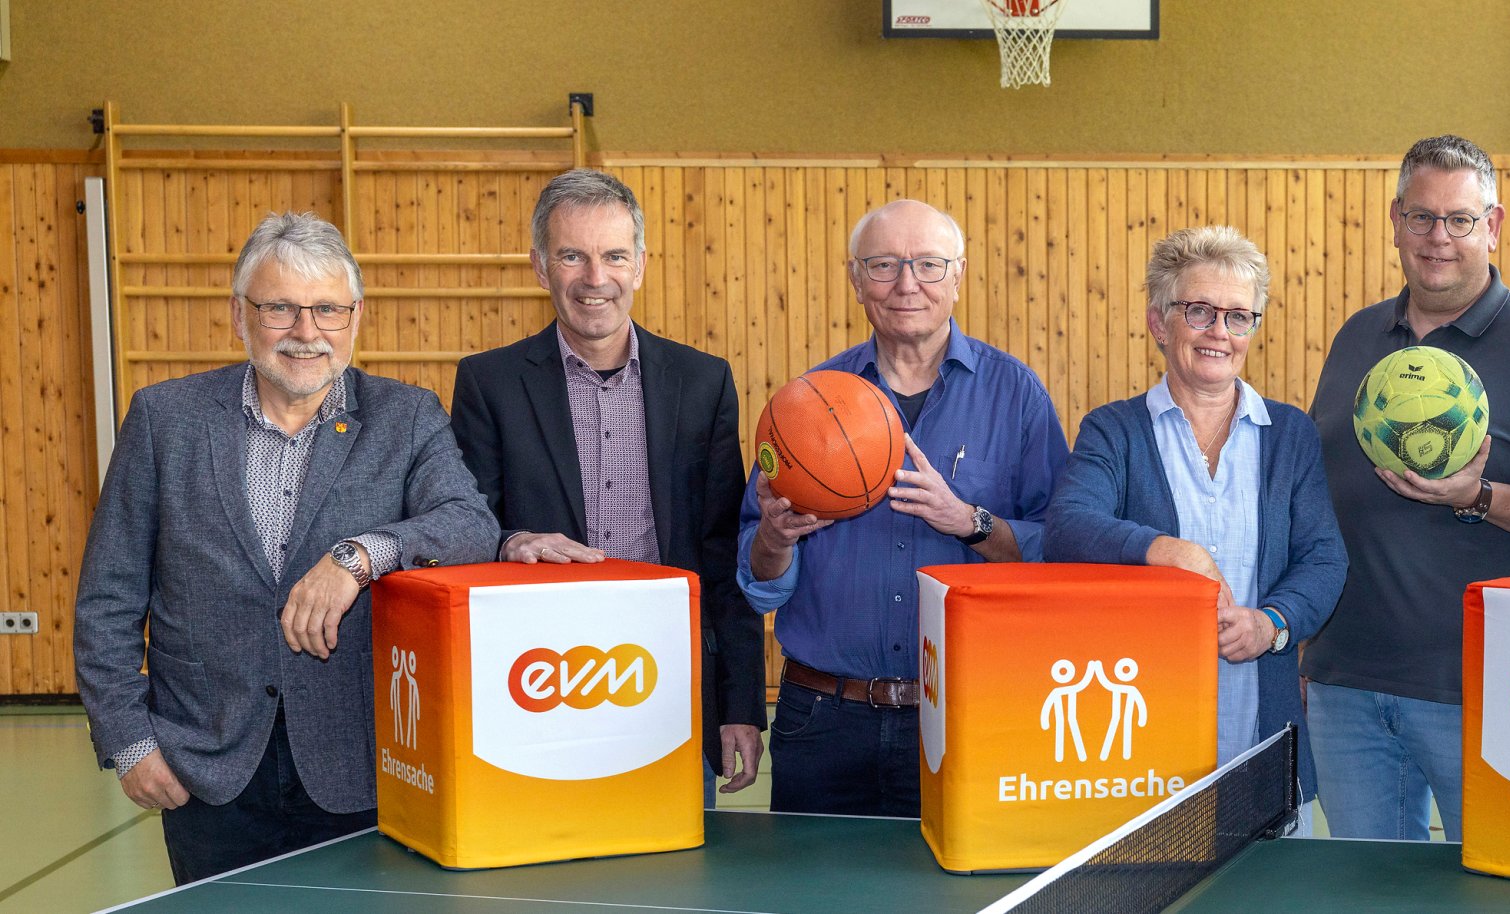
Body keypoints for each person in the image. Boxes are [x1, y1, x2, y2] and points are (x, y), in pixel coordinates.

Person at [72, 213, 499, 884]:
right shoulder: (164, 418)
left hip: (360, 770)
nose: (307, 333)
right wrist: (130, 741)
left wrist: (359, 557)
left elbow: (471, 526)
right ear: (240, 316)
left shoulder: (407, 416)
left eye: (327, 309)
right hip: (206, 771)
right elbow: (108, 597)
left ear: (356, 316)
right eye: (281, 309)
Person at [737, 199, 1069, 817]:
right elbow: (759, 584)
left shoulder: (1015, 395)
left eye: (928, 264)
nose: (907, 283)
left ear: (959, 275)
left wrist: (969, 522)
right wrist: (777, 540)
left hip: (967, 714)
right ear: (857, 280)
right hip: (821, 721)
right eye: (885, 264)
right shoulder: (805, 406)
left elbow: (1059, 547)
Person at [450, 169, 767, 804]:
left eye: (614, 255)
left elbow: (722, 547)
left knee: (671, 888)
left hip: (668, 686)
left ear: (641, 264)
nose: (596, 278)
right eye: (573, 256)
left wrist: (741, 703)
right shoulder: (489, 384)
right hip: (536, 687)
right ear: (541, 266)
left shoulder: (703, 384)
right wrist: (511, 541)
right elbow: (462, 526)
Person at [1304, 135, 1510, 841]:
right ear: (1396, 220)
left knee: (1493, 891)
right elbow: (1323, 500)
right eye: (1422, 217)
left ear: (1491, 226)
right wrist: (1308, 644)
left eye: (1460, 219)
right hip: (1348, 686)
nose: (1439, 238)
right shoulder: (1358, 339)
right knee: (1365, 897)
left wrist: (1479, 496)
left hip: (1485, 692)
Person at [1047, 226, 1347, 834]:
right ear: (1160, 322)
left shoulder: (1290, 435)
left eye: (1239, 317)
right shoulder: (1113, 431)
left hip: (1266, 751)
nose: (1220, 333)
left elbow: (1324, 558)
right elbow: (1068, 528)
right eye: (1200, 312)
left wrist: (1272, 623)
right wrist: (1167, 550)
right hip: (1143, 756)